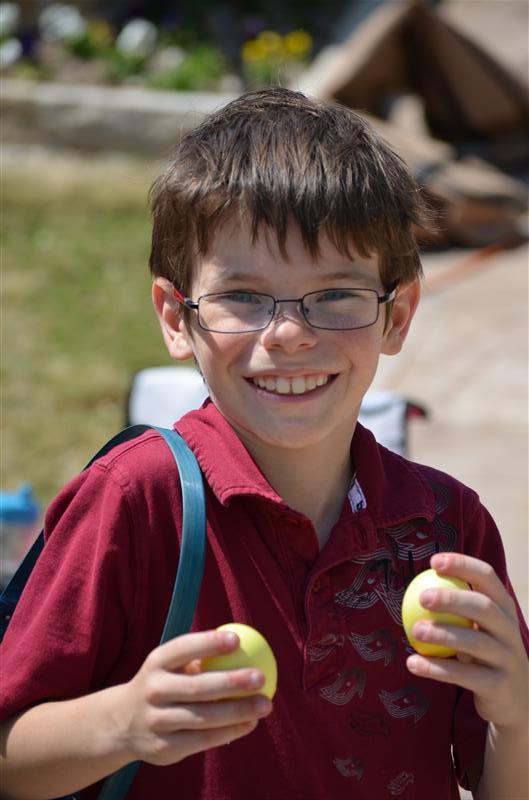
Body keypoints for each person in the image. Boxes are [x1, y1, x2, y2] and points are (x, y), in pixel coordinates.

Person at [1, 87, 527, 800]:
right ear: (176, 318)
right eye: (243, 296)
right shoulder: (136, 499)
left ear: (397, 316)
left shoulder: (445, 527)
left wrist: (516, 716)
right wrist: (125, 724)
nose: (288, 334)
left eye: (336, 294)